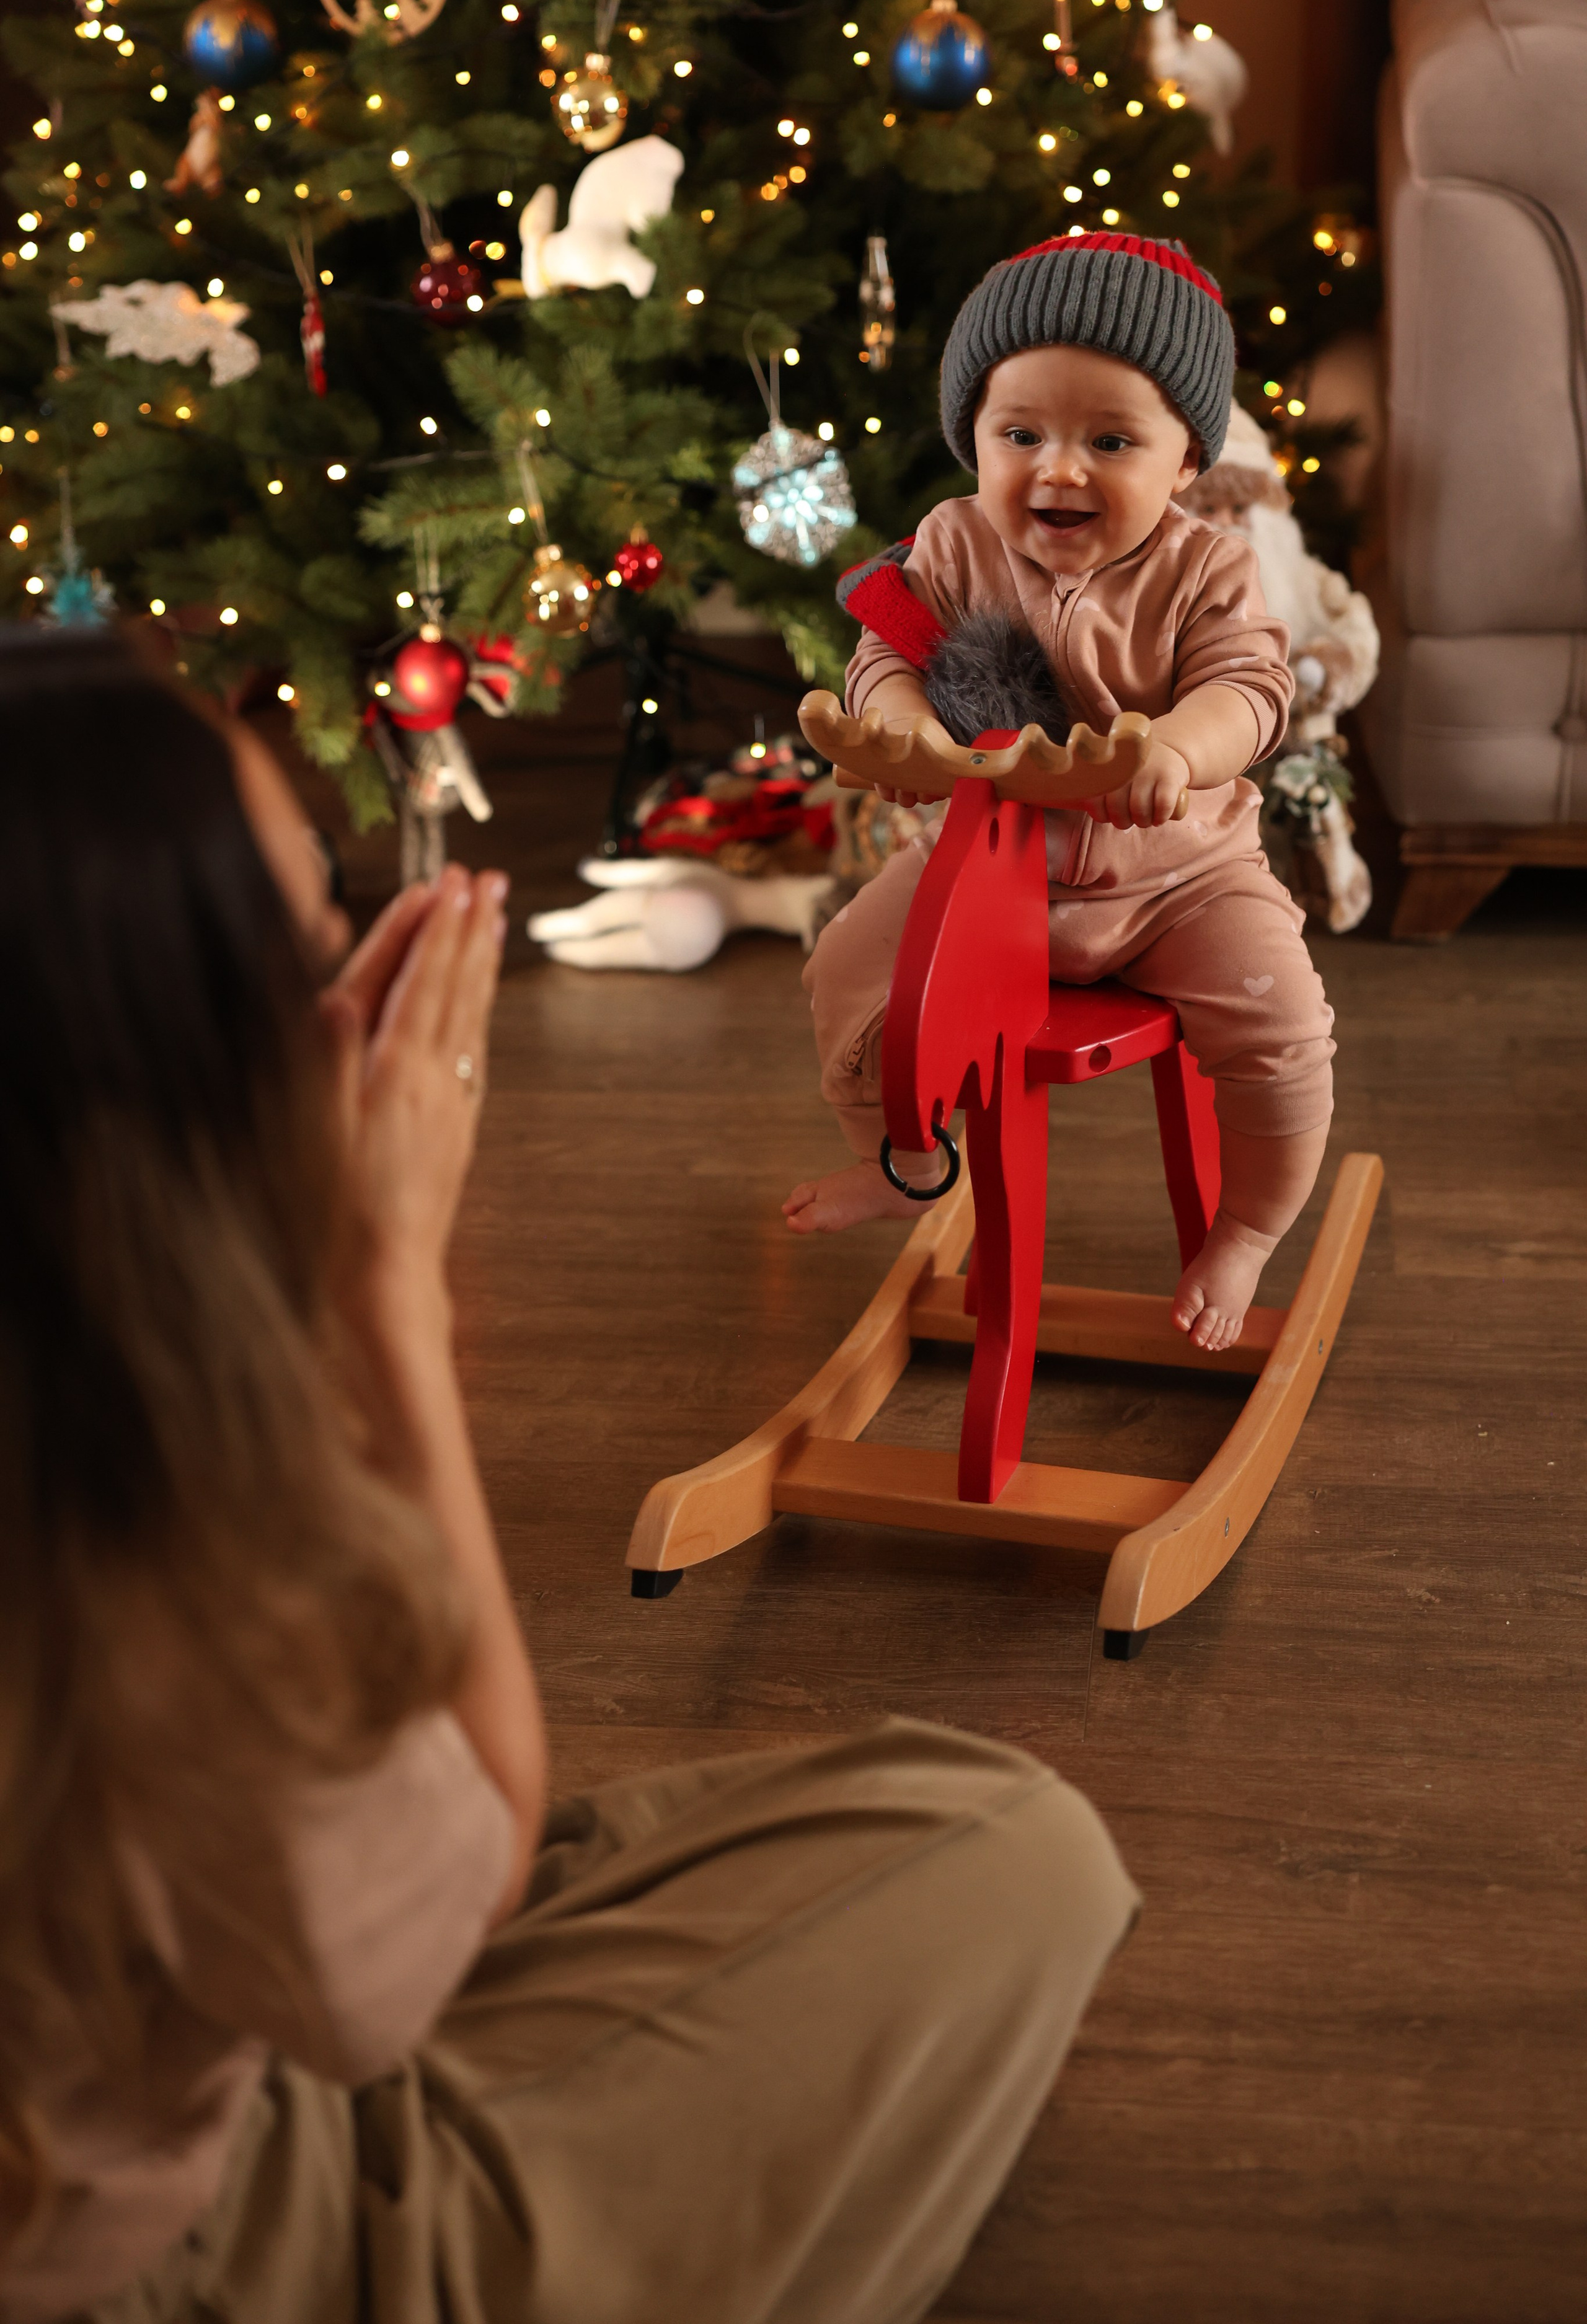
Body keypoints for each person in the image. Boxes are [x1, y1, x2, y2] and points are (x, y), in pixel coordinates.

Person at [0, 627, 1138, 2323]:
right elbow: (429, 1937)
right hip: (148, 2248)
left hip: (139, 2007)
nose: (337, 944)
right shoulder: (139, 1500)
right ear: (165, 1050)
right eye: (306, 914)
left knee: (745, 1834)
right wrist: (380, 1283)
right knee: (1015, 1846)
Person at [784, 232, 1337, 1356]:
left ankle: (1249, 1224)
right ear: (973, 437)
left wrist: (1179, 749)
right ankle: (907, 1163)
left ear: (1187, 460)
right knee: (848, 967)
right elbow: (886, 657)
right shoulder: (951, 543)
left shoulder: (1208, 567)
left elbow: (1252, 688)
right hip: (993, 873)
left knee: (1282, 1022)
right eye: (1020, 433)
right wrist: (901, 729)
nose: (1060, 468)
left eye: (1112, 440)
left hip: (1181, 877)